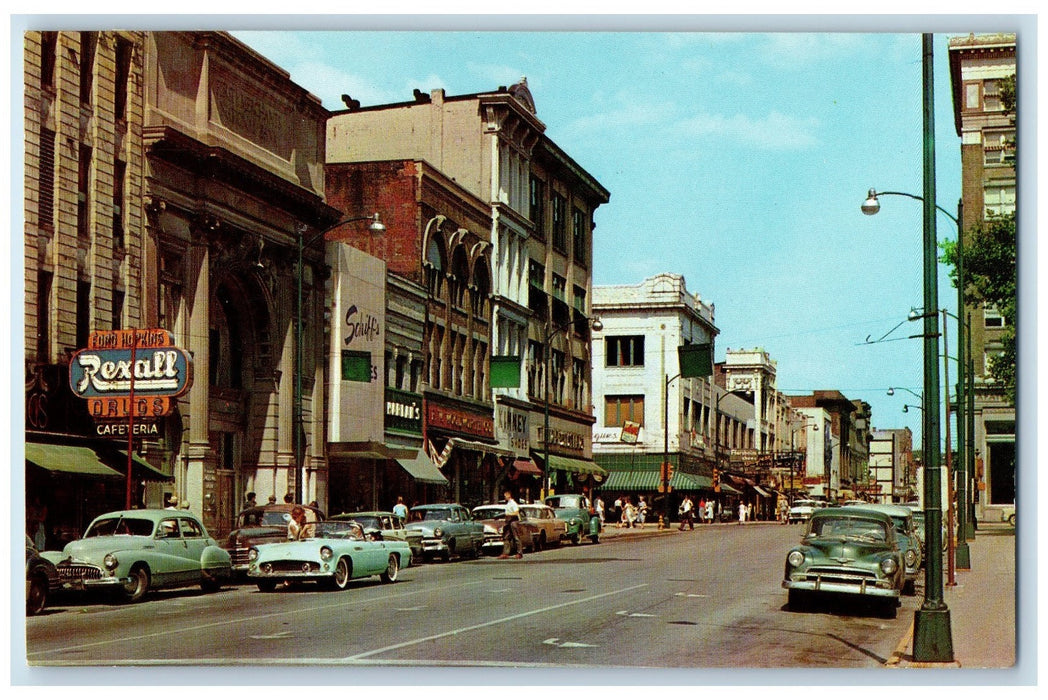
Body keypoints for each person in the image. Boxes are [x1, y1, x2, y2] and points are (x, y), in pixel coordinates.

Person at [498, 490, 523, 559]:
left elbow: (516, 513)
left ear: (509, 495)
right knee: (506, 537)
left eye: (505, 496)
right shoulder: (508, 503)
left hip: (513, 521)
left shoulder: (513, 503)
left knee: (516, 537)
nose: (504, 497)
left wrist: (508, 514)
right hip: (508, 522)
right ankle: (505, 553)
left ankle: (519, 553)